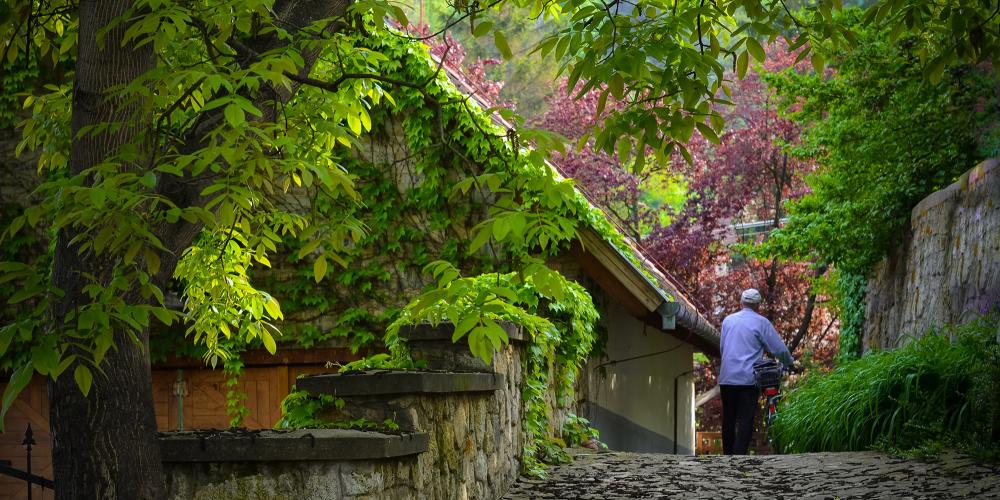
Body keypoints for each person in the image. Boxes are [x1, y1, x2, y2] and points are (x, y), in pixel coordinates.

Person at [718, 288, 794, 455]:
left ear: (741, 303)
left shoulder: (728, 321)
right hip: (748, 380)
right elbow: (778, 349)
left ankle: (727, 457)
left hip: (727, 378)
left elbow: (723, 349)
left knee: (729, 419)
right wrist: (790, 362)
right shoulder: (761, 323)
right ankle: (738, 458)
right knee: (746, 420)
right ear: (758, 306)